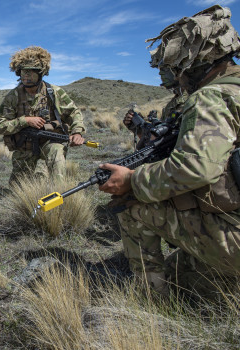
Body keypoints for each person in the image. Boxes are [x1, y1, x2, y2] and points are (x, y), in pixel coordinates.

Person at [99, 5, 240, 298]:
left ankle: (151, 299)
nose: (175, 77)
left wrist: (132, 181)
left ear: (193, 62)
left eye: (175, 68)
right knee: (186, 272)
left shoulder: (212, 96)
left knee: (131, 207)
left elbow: (194, 168)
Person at [0, 46, 86, 185]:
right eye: (23, 72)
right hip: (24, 148)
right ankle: (41, 174)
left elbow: (74, 113)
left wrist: (77, 132)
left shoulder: (54, 93)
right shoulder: (13, 96)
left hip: (49, 142)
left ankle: (59, 194)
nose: (26, 75)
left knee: (56, 152)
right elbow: (0, 126)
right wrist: (24, 121)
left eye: (31, 72)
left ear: (41, 73)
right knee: (17, 188)